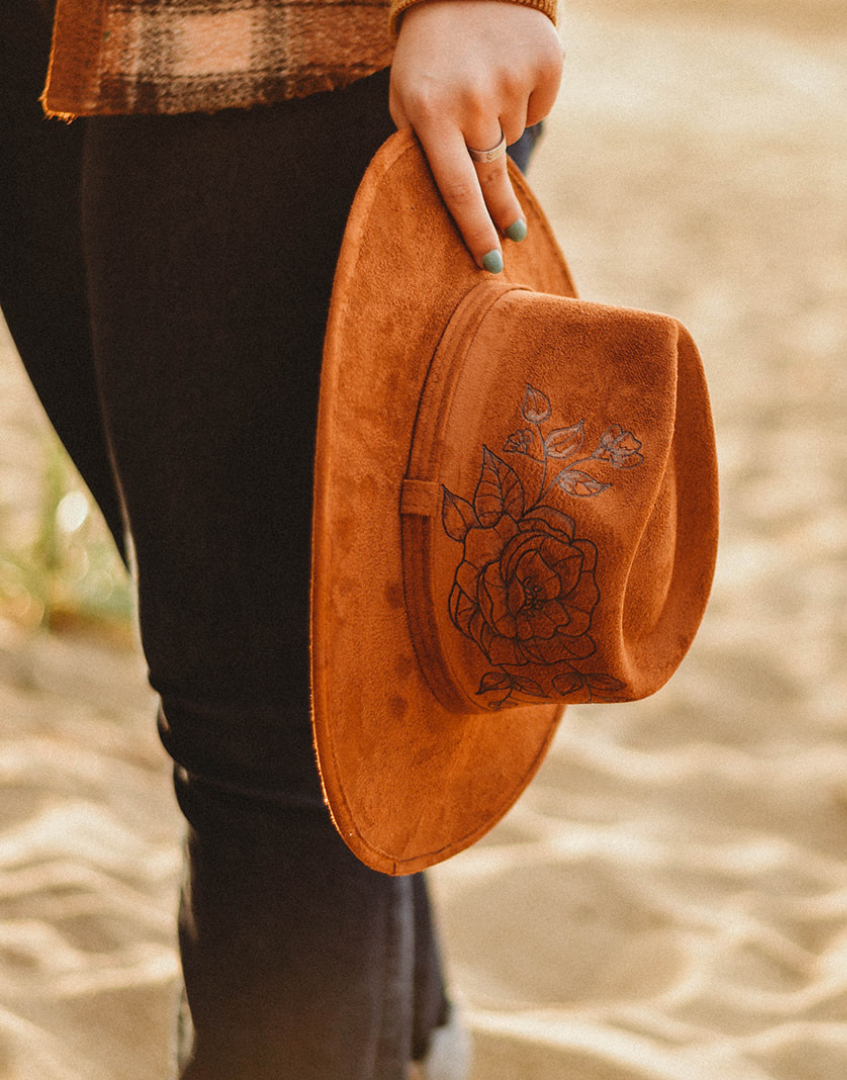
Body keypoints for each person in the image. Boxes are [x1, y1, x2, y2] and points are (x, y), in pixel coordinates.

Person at [0, 0, 563, 1076]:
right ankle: (403, 1049)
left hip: (292, 35)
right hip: (57, 35)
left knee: (272, 733)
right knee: (284, 692)